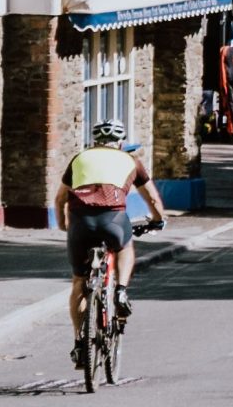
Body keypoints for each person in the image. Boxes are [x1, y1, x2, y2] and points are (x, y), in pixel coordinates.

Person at [53, 119, 166, 369]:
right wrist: (158, 220)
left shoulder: (79, 159)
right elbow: (153, 199)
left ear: (93, 141)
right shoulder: (130, 161)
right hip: (113, 219)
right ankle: (121, 289)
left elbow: (60, 198)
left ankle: (80, 344)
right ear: (121, 142)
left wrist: (63, 225)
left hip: (80, 223)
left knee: (79, 284)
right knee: (125, 247)